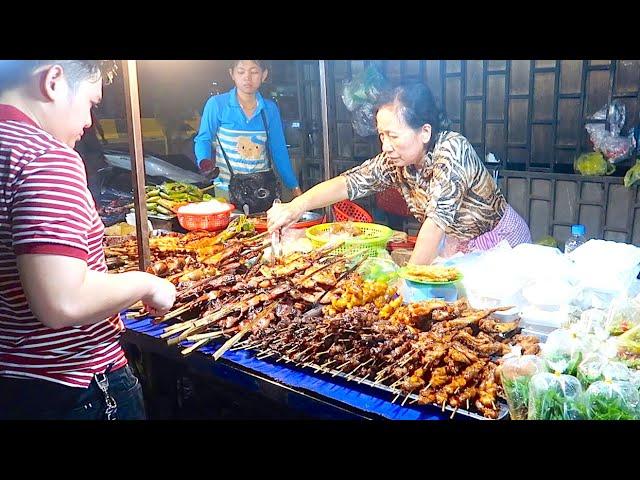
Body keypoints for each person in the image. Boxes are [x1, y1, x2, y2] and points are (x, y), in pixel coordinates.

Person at [0, 60, 177, 420]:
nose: (89, 122)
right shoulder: (44, 158)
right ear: (53, 80)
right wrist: (146, 284)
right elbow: (62, 301)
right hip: (71, 387)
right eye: (91, 104)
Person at [268, 83, 531, 265]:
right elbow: (348, 184)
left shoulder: (452, 150)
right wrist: (296, 206)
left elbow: (435, 224)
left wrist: (409, 281)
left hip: (500, 244)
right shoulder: (396, 160)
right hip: (456, 243)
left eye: (393, 135)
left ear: (424, 132)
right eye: (382, 135)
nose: (385, 146)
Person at [194, 60, 302, 207]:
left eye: (254, 72)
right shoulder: (217, 105)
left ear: (264, 75)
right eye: (241, 71)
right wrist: (204, 162)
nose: (247, 77)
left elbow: (279, 151)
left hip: (262, 190)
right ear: (232, 74)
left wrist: (294, 187)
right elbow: (203, 139)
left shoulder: (269, 109)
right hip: (225, 191)